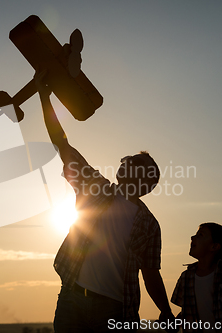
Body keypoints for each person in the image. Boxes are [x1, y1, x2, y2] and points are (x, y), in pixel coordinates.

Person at [34, 70, 174, 333]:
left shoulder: (150, 225)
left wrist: (165, 310)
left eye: (130, 161)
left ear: (143, 177)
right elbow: (62, 144)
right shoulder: (95, 188)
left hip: (116, 310)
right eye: (125, 160)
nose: (123, 163)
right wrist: (44, 95)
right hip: (72, 298)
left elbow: (151, 273)